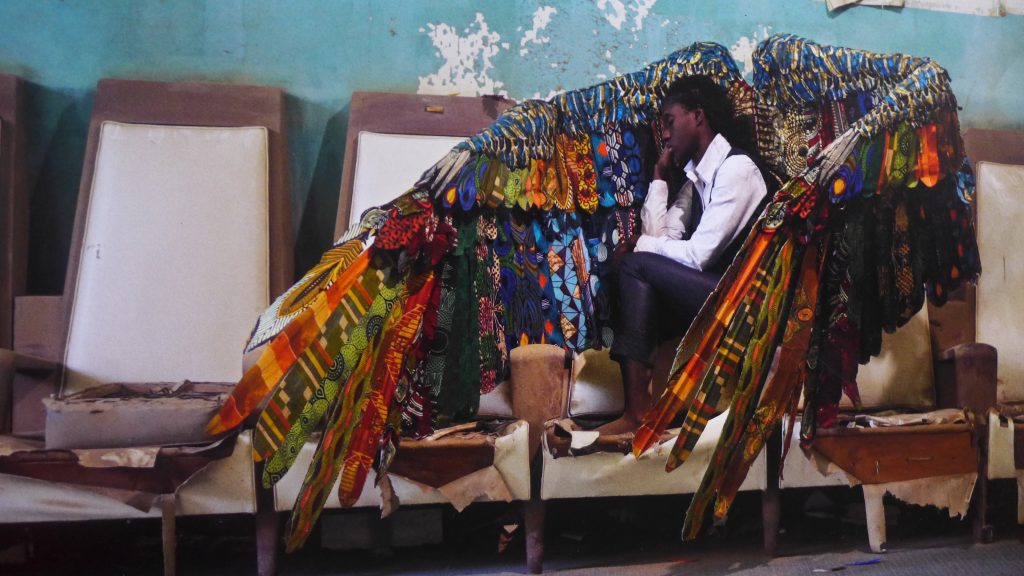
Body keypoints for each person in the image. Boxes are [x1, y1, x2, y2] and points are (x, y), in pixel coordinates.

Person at [600, 75, 769, 435]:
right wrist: (660, 175)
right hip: (718, 297)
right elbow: (659, 238)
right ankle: (640, 415)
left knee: (635, 264)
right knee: (633, 272)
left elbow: (697, 256)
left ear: (697, 116)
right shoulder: (696, 181)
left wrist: (641, 249)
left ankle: (637, 413)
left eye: (669, 121)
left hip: (748, 306)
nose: (664, 134)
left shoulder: (737, 169)